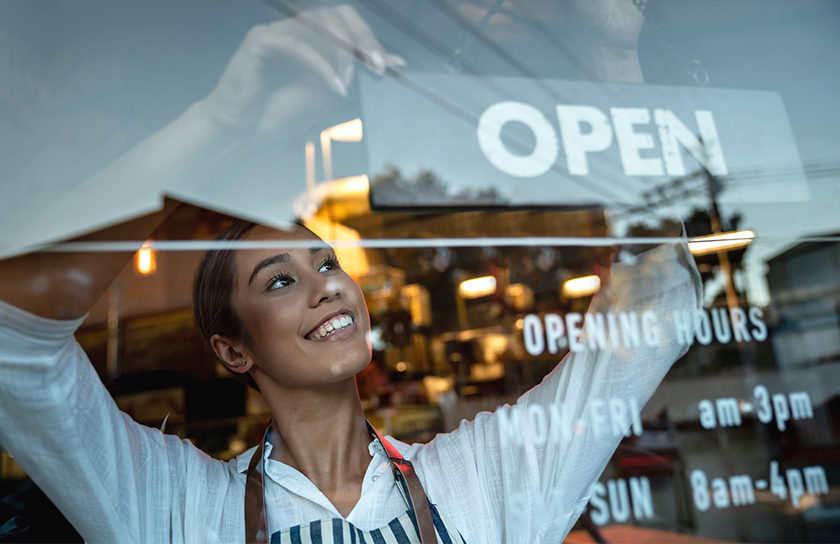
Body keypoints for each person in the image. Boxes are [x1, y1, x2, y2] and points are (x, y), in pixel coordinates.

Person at [0, 207, 700, 543]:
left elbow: (653, 318)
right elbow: (16, 352)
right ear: (234, 351)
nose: (328, 287)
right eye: (280, 281)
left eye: (327, 263)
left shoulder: (479, 478)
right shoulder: (178, 508)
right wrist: (168, 190)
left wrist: (611, 58)